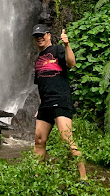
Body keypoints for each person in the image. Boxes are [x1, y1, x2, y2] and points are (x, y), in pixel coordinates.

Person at [32, 23, 87, 180]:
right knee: (39, 140)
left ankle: (84, 179)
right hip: (45, 104)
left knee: (67, 139)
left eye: (42, 34)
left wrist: (67, 44)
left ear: (49, 35)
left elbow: (71, 63)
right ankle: (37, 176)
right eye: (36, 36)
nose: (39, 38)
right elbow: (41, 85)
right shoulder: (38, 60)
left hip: (60, 100)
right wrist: (40, 105)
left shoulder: (57, 49)